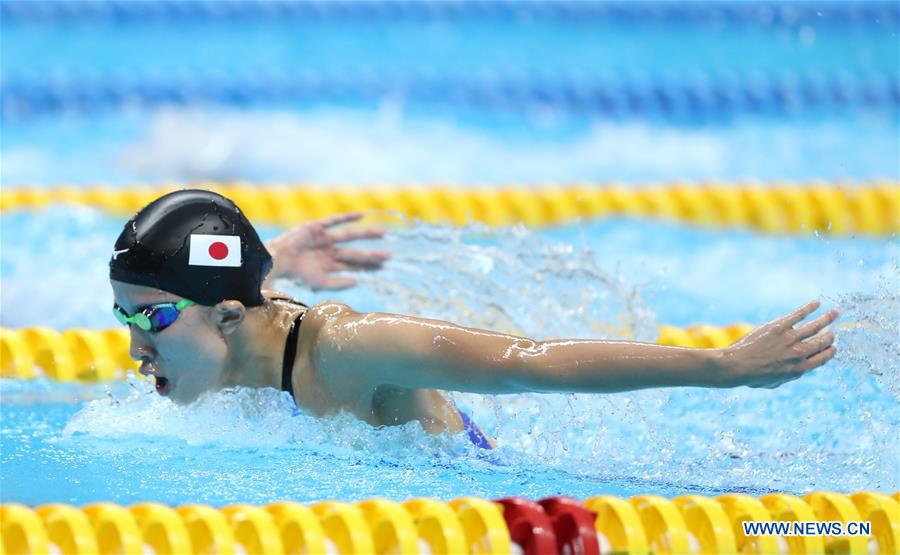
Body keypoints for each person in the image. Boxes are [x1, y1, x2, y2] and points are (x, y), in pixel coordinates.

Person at [110, 190, 838, 449]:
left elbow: (528, 361)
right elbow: (242, 292)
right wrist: (277, 258)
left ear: (229, 318)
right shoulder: (227, 332)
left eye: (153, 318)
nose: (137, 347)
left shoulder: (346, 350)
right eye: (124, 316)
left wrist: (723, 367)